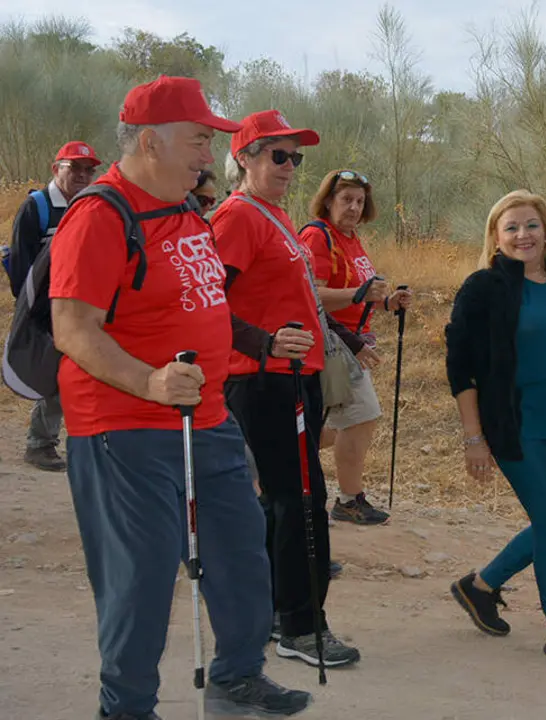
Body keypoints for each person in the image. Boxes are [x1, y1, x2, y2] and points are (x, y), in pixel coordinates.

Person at [49, 75, 309, 720]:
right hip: (121, 425)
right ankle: (128, 707)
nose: (206, 152)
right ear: (149, 140)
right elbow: (73, 328)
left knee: (243, 555)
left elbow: (209, 305)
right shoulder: (101, 214)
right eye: (198, 138)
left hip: (210, 417)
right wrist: (149, 380)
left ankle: (238, 674)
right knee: (139, 579)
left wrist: (261, 341)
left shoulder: (189, 211)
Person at [212, 109, 370, 668]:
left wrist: (344, 339)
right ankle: (302, 628)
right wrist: (263, 343)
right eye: (278, 155)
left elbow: (297, 299)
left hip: (291, 380)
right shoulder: (236, 216)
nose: (289, 166)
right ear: (245, 158)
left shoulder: (272, 215)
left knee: (288, 499)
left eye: (295, 157)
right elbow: (209, 304)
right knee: (300, 499)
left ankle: (284, 614)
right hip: (264, 381)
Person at [444, 189, 546, 672]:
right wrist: (474, 438)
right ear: (496, 237)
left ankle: (481, 585)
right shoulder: (483, 288)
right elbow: (461, 369)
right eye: (511, 227)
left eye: (531, 225)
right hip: (514, 426)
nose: (523, 235)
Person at [299, 169, 412, 525]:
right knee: (362, 415)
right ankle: (348, 499)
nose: (353, 207)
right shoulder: (318, 237)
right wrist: (358, 295)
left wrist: (389, 302)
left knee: (334, 421)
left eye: (359, 201)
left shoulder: (350, 238)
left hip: (351, 339)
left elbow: (362, 294)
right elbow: (310, 296)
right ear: (328, 200)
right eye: (346, 199)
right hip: (331, 341)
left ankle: (276, 455)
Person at [8, 140, 102, 471]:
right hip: (44, 310)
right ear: (55, 169)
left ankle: (70, 442)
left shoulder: (91, 207)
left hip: (81, 308)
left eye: (89, 169)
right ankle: (40, 443)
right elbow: (21, 266)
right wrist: (32, 314)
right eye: (74, 167)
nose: (82, 174)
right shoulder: (36, 208)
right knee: (55, 375)